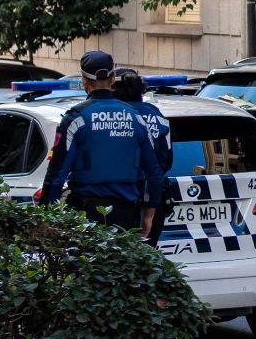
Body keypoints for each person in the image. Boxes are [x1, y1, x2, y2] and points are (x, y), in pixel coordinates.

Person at [38, 50, 162, 234]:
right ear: (113, 78)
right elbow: (154, 173)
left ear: (83, 80)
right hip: (127, 216)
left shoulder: (76, 118)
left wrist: (45, 217)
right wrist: (150, 215)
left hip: (85, 216)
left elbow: (57, 175)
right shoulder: (136, 118)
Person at [112, 68, 175, 242]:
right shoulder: (156, 114)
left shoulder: (117, 116)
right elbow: (167, 160)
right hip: (155, 198)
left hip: (121, 198)